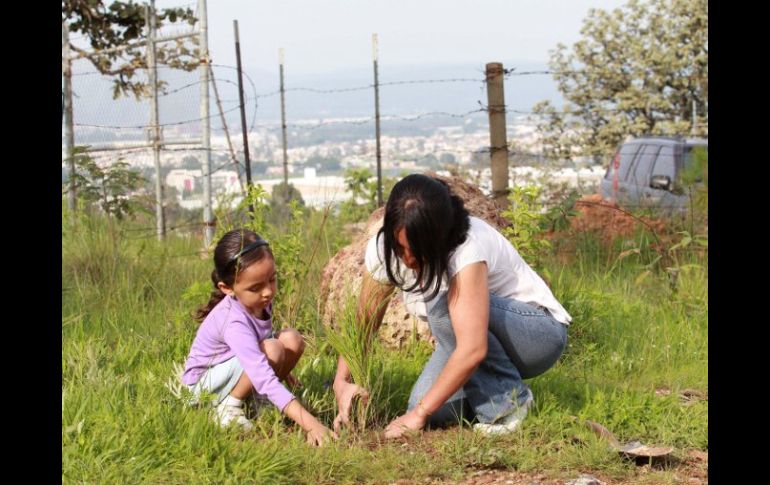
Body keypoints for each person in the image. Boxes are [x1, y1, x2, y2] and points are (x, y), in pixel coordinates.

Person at [332, 174, 571, 438]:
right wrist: (342, 382)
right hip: (478, 338)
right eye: (401, 248)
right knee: (431, 410)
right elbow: (364, 321)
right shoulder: (383, 248)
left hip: (536, 335)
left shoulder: (467, 246)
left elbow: (473, 348)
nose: (409, 259)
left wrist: (417, 415)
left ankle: (509, 406)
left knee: (443, 307)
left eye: (418, 248)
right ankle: (492, 394)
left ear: (438, 236)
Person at [181, 228, 337, 445]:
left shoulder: (259, 301)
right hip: (202, 389)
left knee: (291, 339)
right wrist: (311, 424)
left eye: (272, 280)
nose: (267, 292)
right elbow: (262, 364)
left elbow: (263, 337)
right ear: (227, 288)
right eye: (256, 287)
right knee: (273, 349)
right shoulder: (233, 320)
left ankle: (257, 403)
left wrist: (282, 366)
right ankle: (228, 408)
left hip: (231, 372)